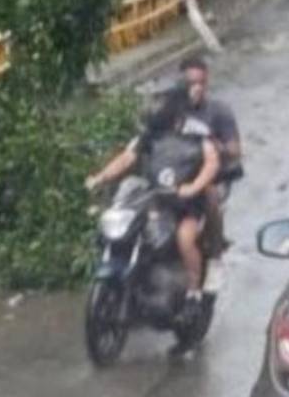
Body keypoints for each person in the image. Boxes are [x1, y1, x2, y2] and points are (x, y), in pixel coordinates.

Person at [86, 85, 220, 319]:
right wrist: (101, 177)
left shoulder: (197, 133)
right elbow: (127, 158)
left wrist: (194, 187)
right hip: (155, 199)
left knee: (184, 238)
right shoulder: (150, 133)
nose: (155, 107)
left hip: (186, 203)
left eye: (160, 102)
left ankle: (194, 292)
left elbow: (211, 162)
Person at [179, 55, 242, 290]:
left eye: (201, 83)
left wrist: (216, 145)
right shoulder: (171, 108)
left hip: (214, 173)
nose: (196, 88)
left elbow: (235, 150)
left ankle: (215, 257)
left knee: (210, 193)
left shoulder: (218, 111)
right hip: (180, 170)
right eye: (190, 83)